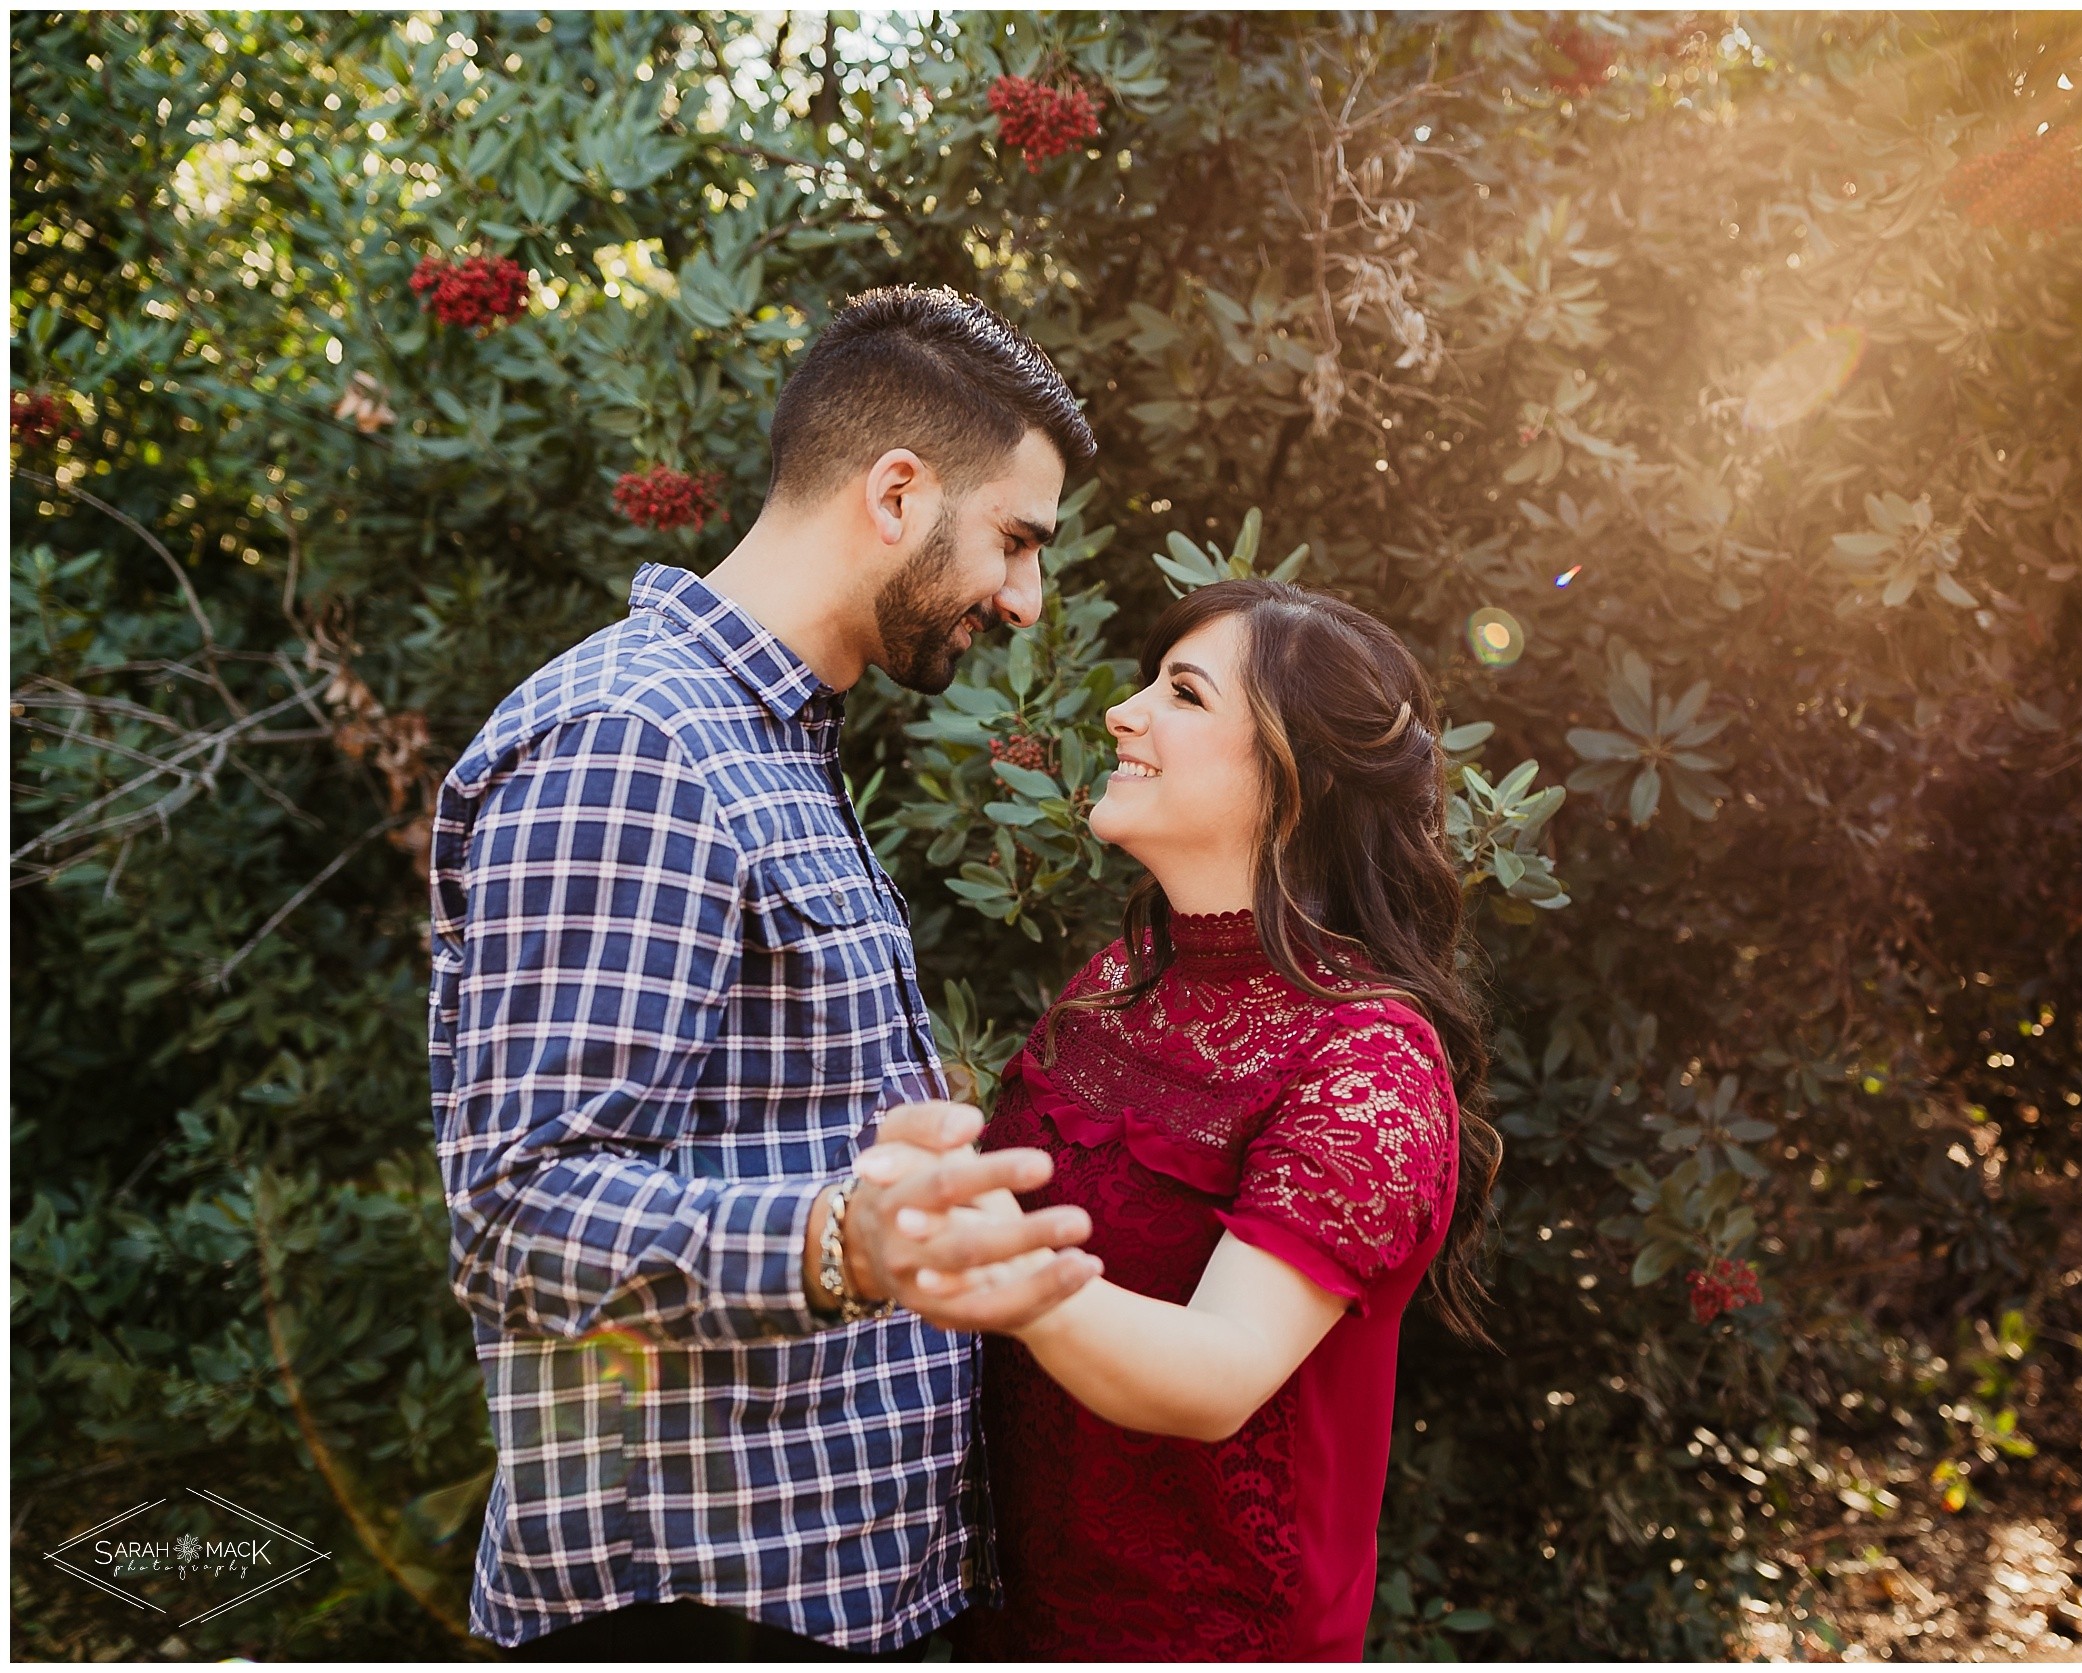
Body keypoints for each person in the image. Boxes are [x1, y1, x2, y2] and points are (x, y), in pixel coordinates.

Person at [426, 285, 1106, 1659]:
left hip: (840, 1594)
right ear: (899, 492)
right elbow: (518, 1215)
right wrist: (841, 1240)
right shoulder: (635, 744)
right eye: (1017, 542)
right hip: (698, 1609)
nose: (1030, 602)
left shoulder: (768, 742)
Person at [918, 579, 1506, 1660]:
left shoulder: (1368, 1056)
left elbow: (1216, 1375)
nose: (1121, 711)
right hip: (1008, 1618)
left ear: (1298, 780)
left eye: (1182, 693)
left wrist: (996, 1272)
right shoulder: (1116, 984)